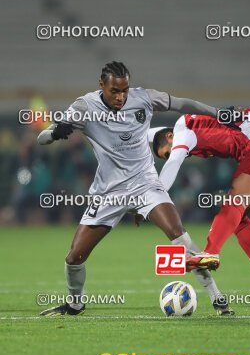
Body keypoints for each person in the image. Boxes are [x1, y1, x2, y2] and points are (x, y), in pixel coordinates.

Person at [37, 61, 233, 316]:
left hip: (145, 183)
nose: (120, 97)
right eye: (114, 91)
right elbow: (42, 139)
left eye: (124, 90)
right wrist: (55, 133)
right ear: (101, 86)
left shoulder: (143, 98)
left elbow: (182, 103)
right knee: (74, 258)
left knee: (179, 236)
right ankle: (75, 305)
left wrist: (218, 113)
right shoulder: (84, 107)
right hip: (109, 193)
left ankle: (219, 300)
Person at [150, 108, 250, 308]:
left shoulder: (184, 132)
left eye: (167, 150)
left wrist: (153, 196)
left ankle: (211, 251)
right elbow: (149, 133)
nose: (172, 154)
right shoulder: (197, 124)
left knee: (232, 204)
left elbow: (173, 163)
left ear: (170, 136)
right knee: (237, 218)